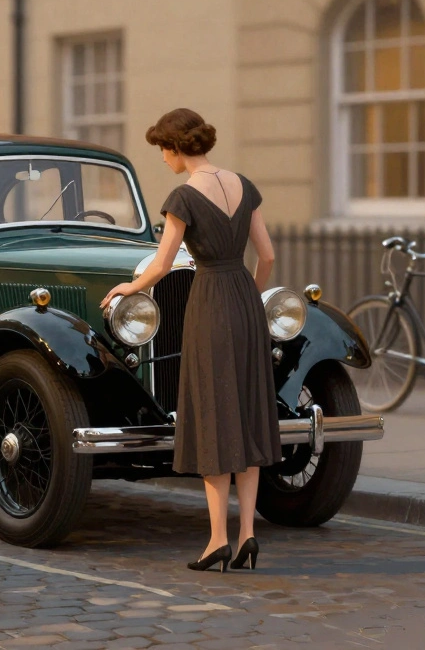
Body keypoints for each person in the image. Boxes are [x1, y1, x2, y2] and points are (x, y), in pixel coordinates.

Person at [100, 108, 278, 573]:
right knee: (249, 412)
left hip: (211, 302)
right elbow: (268, 255)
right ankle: (249, 535)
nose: (162, 158)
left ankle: (217, 538)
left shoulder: (183, 196)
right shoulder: (244, 183)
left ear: (177, 147)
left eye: (163, 149)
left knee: (215, 415)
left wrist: (128, 289)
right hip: (243, 298)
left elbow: (161, 266)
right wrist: (251, 300)